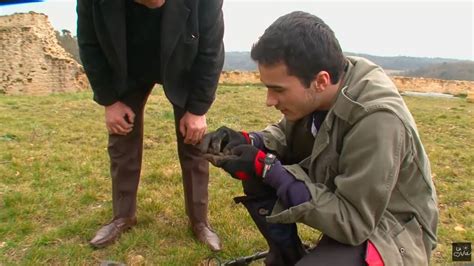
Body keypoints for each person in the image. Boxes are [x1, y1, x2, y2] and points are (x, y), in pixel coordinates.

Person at [199, 11, 438, 265]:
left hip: (391, 229)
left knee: (266, 171)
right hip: (347, 200)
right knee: (258, 172)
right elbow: (286, 135)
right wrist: (249, 142)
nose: (269, 101)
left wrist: (270, 170)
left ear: (320, 81)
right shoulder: (324, 83)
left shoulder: (377, 119)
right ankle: (287, 257)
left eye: (278, 90)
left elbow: (353, 221)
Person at [77, 0, 224, 251]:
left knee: (193, 137)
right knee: (121, 137)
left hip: (182, 63)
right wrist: (110, 101)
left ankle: (199, 221)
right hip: (127, 66)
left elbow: (210, 51)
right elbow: (89, 45)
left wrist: (197, 110)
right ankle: (123, 216)